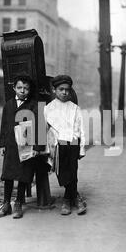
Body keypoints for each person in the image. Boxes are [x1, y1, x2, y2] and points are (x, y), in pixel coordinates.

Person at [0, 75, 43, 219]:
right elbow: (4, 125)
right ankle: (6, 204)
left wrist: (37, 147)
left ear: (29, 90)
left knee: (23, 174)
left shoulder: (34, 105)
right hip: (11, 144)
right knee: (8, 174)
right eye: (20, 88)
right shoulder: (8, 105)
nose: (23, 91)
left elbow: (39, 127)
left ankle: (18, 203)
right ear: (14, 88)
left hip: (26, 145)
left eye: (26, 88)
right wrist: (3, 144)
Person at [44, 75, 87, 216]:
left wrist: (81, 148)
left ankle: (68, 200)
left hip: (73, 143)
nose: (64, 92)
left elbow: (81, 129)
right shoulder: (48, 109)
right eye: (61, 89)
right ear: (54, 90)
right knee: (62, 173)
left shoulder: (74, 108)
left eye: (67, 90)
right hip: (58, 145)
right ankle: (76, 197)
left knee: (73, 171)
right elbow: (46, 130)